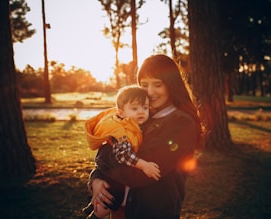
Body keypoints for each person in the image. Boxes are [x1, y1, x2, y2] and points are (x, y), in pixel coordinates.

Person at [87, 54, 202, 219]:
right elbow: (109, 147)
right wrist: (96, 179)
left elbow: (138, 174)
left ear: (171, 85)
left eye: (157, 84)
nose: (150, 92)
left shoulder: (181, 123)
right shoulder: (141, 117)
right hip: (120, 210)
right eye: (144, 84)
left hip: (151, 212)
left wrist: (109, 158)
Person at [83, 85, 161, 219]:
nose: (141, 112)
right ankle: (94, 214)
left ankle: (92, 208)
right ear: (121, 113)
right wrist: (144, 165)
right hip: (113, 176)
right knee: (108, 203)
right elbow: (123, 155)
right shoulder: (121, 131)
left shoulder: (134, 126)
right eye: (135, 108)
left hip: (119, 175)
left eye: (145, 108)